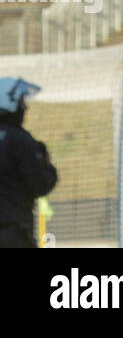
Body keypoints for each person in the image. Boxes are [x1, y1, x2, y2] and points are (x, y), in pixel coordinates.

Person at [0, 78, 57, 249]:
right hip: (13, 232)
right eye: (22, 101)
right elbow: (41, 185)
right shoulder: (21, 141)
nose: (25, 107)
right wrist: (48, 167)